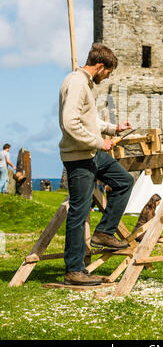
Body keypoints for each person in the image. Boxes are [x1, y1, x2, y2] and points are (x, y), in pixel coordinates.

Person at [59, 43, 134, 286]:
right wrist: (99, 142)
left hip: (91, 152)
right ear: (100, 66)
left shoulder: (85, 84)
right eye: (108, 73)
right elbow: (69, 123)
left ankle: (104, 233)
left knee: (124, 181)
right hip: (80, 156)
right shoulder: (77, 83)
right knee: (79, 212)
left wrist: (114, 129)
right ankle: (73, 270)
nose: (107, 77)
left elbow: (87, 120)